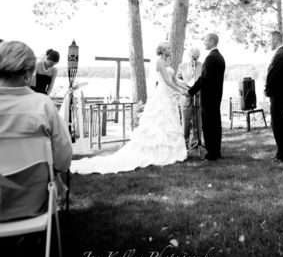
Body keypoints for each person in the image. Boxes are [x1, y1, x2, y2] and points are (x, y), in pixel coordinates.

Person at [71, 41, 188, 174]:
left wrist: (187, 87)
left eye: (170, 48)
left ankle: (170, 152)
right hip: (162, 95)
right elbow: (166, 81)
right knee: (159, 123)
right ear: (162, 50)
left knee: (169, 123)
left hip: (169, 97)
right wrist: (180, 91)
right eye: (167, 48)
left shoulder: (168, 62)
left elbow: (174, 80)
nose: (170, 50)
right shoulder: (159, 62)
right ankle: (157, 152)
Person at [0, 40, 72, 221]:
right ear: (27, 74)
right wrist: (56, 175)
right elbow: (63, 159)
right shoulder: (43, 106)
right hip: (34, 203)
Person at [187, 33, 225, 161]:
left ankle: (211, 154)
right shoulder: (220, 57)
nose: (204, 43)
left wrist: (191, 91)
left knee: (208, 125)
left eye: (205, 41)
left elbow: (204, 78)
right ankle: (216, 151)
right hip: (217, 96)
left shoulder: (210, 58)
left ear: (212, 41)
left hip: (209, 97)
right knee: (216, 124)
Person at [265, 30, 283, 163]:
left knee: (279, 125)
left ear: (275, 40)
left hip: (279, 96)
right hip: (280, 96)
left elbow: (273, 77)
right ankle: (281, 151)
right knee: (279, 124)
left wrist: (267, 90)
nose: (269, 43)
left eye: (270, 40)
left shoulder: (280, 55)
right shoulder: (281, 54)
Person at [177, 47, 202, 150]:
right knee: (185, 122)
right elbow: (178, 79)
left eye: (197, 58)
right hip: (186, 97)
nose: (195, 60)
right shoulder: (182, 66)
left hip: (198, 97)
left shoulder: (202, 66)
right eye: (193, 57)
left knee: (197, 121)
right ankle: (185, 144)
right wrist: (184, 86)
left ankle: (197, 143)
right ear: (189, 56)